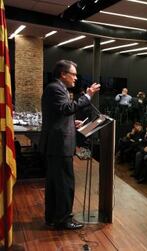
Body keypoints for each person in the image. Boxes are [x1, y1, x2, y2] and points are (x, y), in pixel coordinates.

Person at [40, 59, 100, 230]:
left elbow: (60, 113)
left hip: (56, 144)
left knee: (55, 184)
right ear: (63, 74)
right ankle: (64, 219)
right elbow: (67, 108)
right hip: (59, 146)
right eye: (73, 74)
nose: (75, 77)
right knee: (65, 184)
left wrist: (71, 122)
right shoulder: (55, 88)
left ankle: (52, 217)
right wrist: (88, 96)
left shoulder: (59, 88)